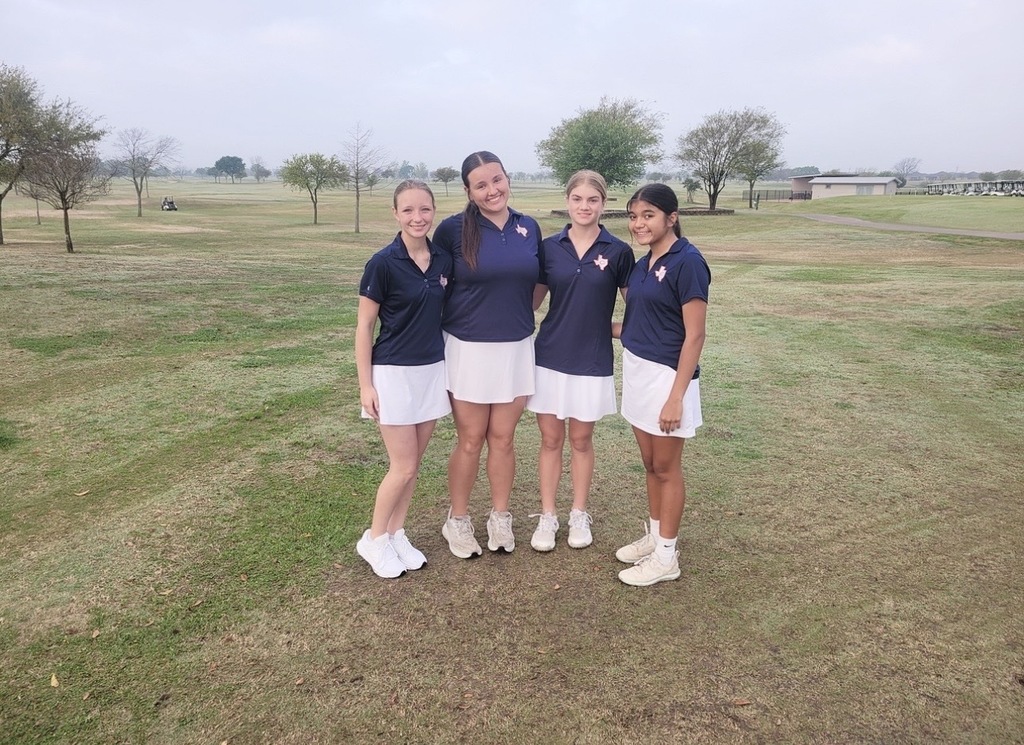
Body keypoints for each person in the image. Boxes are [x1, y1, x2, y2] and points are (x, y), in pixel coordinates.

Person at [432, 151, 543, 558]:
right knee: (470, 439)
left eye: (497, 180)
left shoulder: (528, 227)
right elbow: (436, 286)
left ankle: (500, 516)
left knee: (503, 438)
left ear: (507, 178)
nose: (492, 190)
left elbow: (537, 283)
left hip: (515, 347)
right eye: (481, 185)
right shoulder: (452, 230)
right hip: (469, 349)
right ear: (469, 191)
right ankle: (458, 520)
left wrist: (514, 315)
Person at [527, 170, 635, 551]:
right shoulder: (549, 247)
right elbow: (531, 303)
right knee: (550, 439)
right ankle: (548, 516)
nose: (584, 206)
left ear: (603, 203)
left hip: (592, 358)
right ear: (567, 201)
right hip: (549, 355)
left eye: (592, 200)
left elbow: (639, 306)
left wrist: (615, 329)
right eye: (577, 199)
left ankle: (578, 513)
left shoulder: (618, 251)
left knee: (581, 439)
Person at [354, 180, 453, 578]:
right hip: (393, 373)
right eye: (408, 210)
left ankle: (396, 533)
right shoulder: (382, 263)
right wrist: (366, 385)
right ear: (395, 214)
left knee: (414, 465)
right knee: (403, 466)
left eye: (424, 209)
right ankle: (374, 538)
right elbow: (364, 327)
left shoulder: (443, 260)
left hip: (432, 371)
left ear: (434, 211)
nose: (417, 217)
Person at [615, 183, 710, 587]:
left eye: (648, 215)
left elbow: (695, 335)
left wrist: (676, 397)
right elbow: (639, 323)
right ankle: (656, 538)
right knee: (651, 465)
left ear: (671, 218)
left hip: (668, 378)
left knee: (667, 469)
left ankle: (667, 557)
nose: (638, 223)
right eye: (633, 216)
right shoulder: (643, 264)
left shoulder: (688, 262)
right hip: (638, 372)